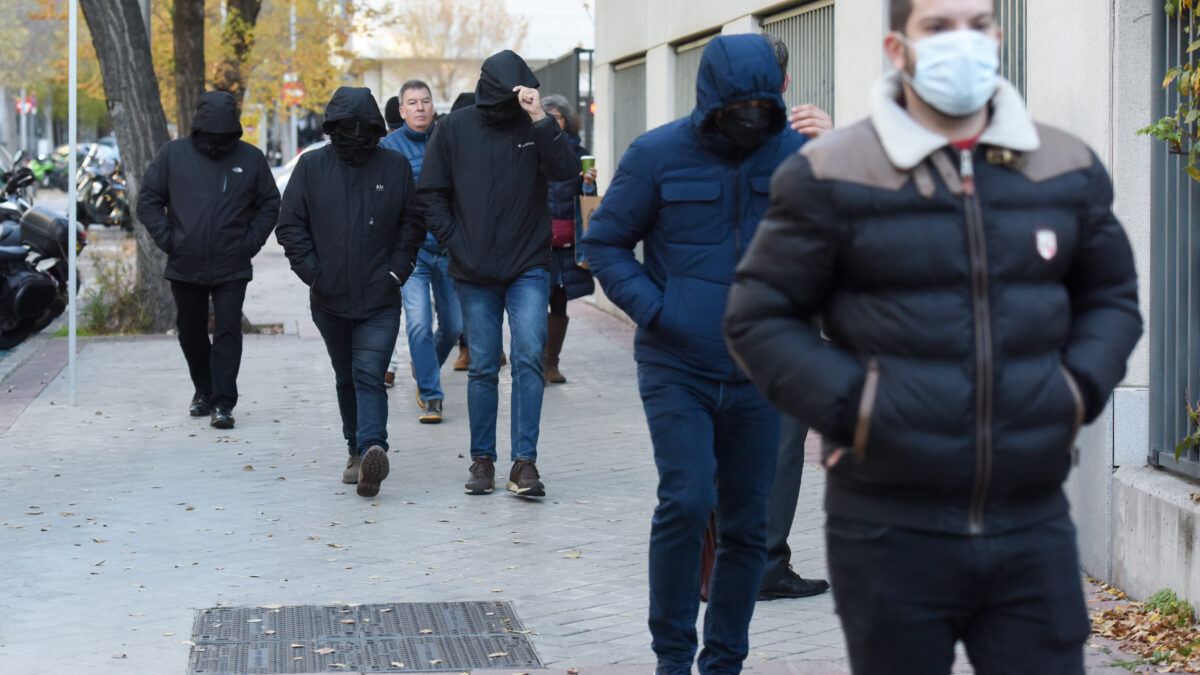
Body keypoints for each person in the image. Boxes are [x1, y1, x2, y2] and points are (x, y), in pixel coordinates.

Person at [723, 0, 1143, 672]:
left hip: (1030, 522)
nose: (963, 43)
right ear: (898, 48)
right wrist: (857, 408)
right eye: (939, 27)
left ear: (997, 37)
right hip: (890, 527)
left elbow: (1112, 298)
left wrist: (1073, 387)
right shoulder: (832, 171)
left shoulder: (1063, 166)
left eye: (977, 25)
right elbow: (758, 314)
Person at [582, 34, 808, 674]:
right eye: (737, 110)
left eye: (760, 110)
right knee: (685, 500)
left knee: (747, 528)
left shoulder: (799, 157)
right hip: (676, 364)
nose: (749, 124)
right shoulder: (657, 154)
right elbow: (605, 245)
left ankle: (724, 663)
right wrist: (658, 311)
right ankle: (672, 660)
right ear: (711, 99)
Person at [419, 50, 579, 497]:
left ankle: (524, 464)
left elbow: (566, 171)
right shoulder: (454, 127)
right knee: (484, 365)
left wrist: (541, 119)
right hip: (474, 269)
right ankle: (482, 461)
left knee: (529, 357)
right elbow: (430, 192)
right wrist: (455, 240)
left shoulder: (536, 125)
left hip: (528, 264)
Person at [275, 86, 426, 498]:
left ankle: (372, 447)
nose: (355, 133)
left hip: (380, 296)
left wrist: (397, 272)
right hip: (329, 297)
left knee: (368, 375)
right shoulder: (311, 168)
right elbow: (290, 225)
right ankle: (354, 449)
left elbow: (412, 225)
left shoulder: (394, 168)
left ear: (376, 127)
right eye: (346, 126)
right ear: (332, 127)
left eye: (363, 126)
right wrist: (313, 273)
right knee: (347, 376)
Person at [137, 91, 280, 430]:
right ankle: (203, 390)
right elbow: (148, 200)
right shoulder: (174, 155)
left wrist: (249, 243)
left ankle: (223, 403)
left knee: (229, 330)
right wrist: (170, 240)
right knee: (190, 331)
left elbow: (270, 204)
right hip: (185, 261)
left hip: (232, 262)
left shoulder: (251, 157)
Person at [381, 80, 461, 424]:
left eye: (425, 101)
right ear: (401, 111)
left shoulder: (448, 140)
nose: (420, 108)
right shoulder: (388, 147)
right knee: (417, 324)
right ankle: (431, 394)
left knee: (454, 326)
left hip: (448, 250)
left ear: (433, 106)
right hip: (412, 253)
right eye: (412, 103)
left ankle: (423, 364)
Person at [540, 94, 596, 384]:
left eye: (557, 118)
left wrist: (589, 183)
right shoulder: (533, 150)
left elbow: (589, 199)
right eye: (547, 117)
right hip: (539, 242)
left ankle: (551, 364)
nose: (552, 122)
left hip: (569, 241)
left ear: (567, 121)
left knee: (559, 302)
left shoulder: (580, 153)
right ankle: (535, 360)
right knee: (537, 301)